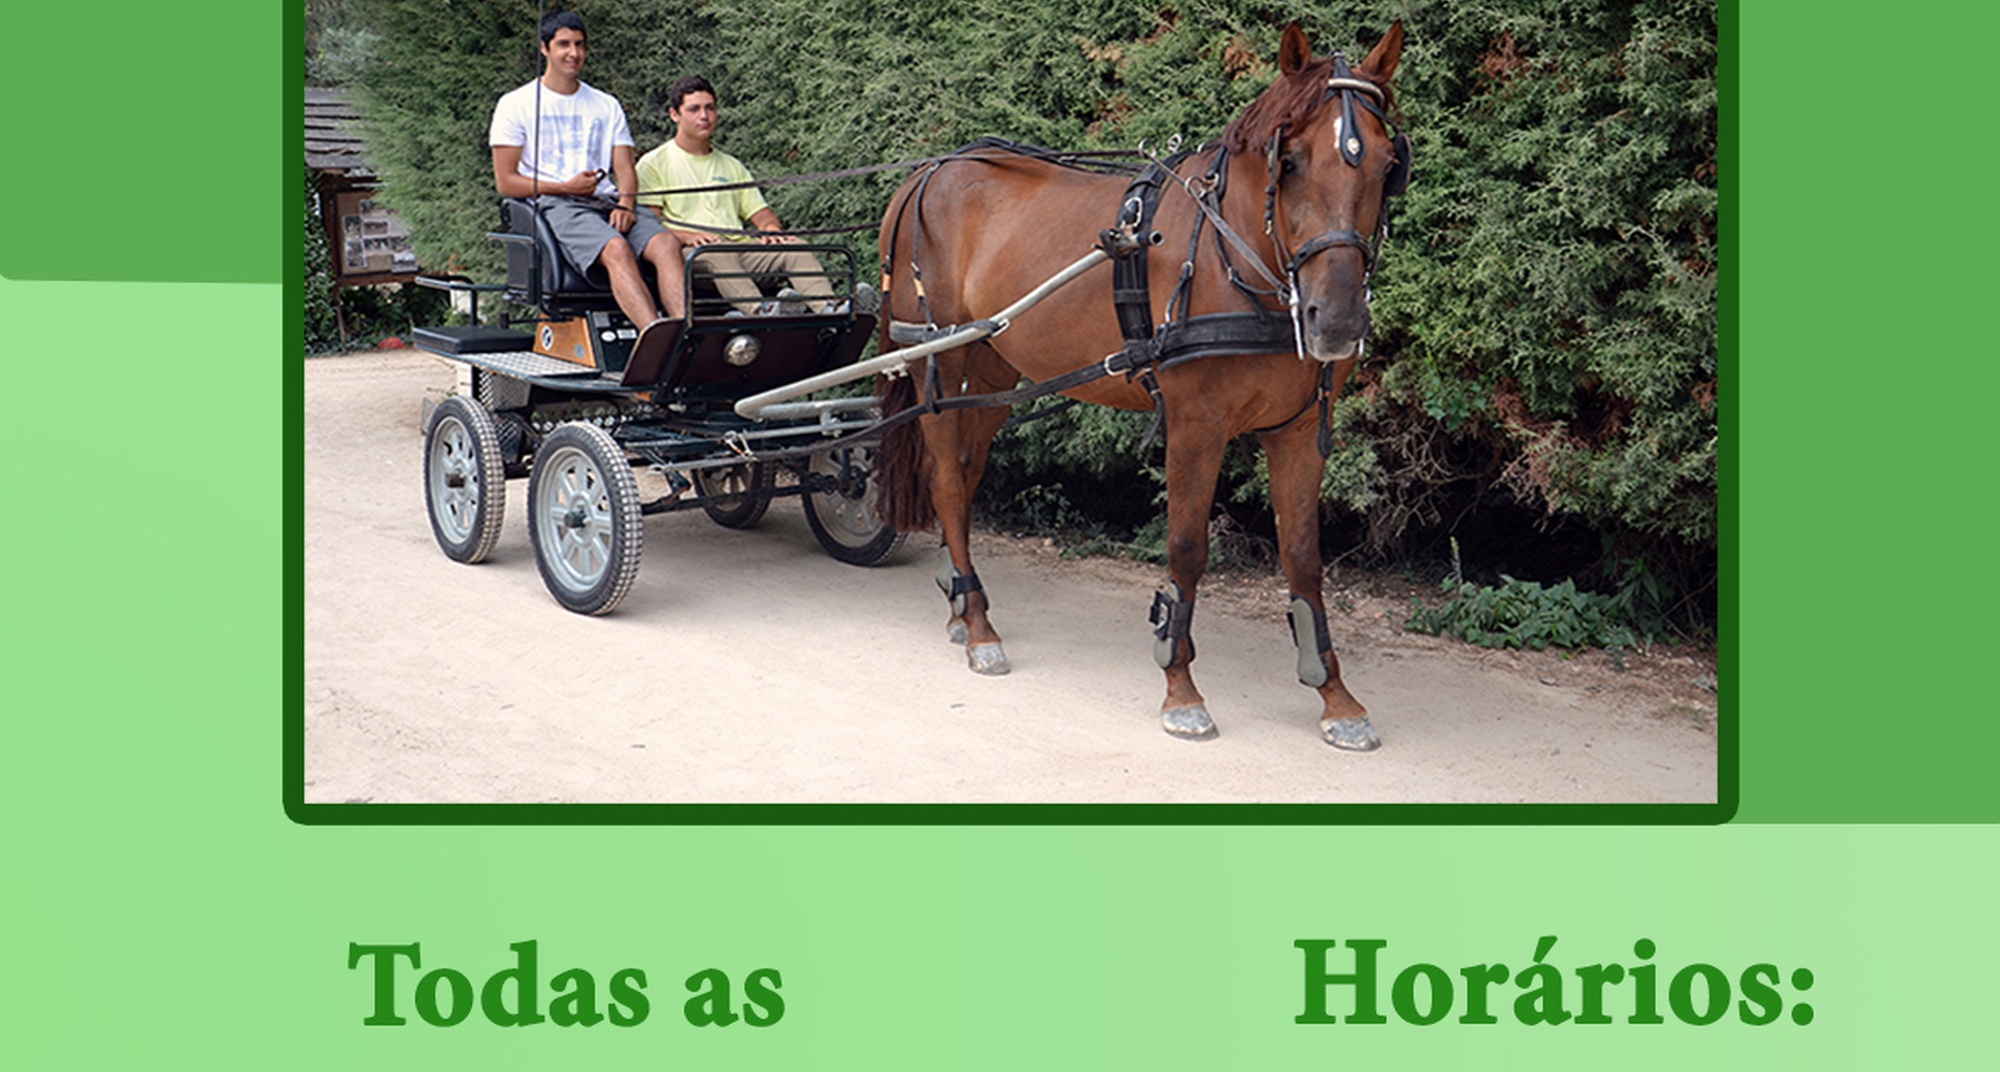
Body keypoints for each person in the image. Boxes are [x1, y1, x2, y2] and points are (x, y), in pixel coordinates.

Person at [489, 11, 686, 343]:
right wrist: (564, 187)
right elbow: (506, 182)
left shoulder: (605, 104)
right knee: (615, 248)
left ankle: (685, 336)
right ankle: (657, 341)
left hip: (607, 200)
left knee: (666, 244)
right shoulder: (515, 104)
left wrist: (625, 204)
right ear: (544, 48)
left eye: (579, 45)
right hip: (556, 204)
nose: (573, 53)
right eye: (563, 44)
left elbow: (624, 168)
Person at [636, 76, 839, 315]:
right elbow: (649, 226)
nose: (704, 116)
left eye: (710, 108)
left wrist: (771, 230)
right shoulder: (653, 163)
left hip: (740, 250)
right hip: (693, 257)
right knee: (717, 254)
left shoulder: (732, 165)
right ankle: (762, 311)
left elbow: (762, 214)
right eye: (694, 109)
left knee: (796, 248)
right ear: (674, 115)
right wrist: (687, 236)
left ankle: (831, 309)